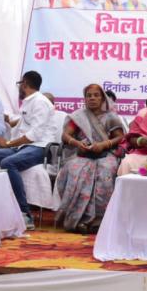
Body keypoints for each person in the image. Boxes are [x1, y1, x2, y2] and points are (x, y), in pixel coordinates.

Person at [0, 71, 57, 231]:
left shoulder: (40, 102)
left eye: (20, 84)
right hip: (22, 148)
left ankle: (25, 214)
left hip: (39, 148)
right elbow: (21, 124)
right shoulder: (29, 102)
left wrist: (8, 143)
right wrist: (5, 119)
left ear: (24, 84)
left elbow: (34, 135)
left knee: (8, 163)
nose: (19, 87)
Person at [55, 84, 124, 233]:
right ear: (85, 98)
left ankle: (99, 221)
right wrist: (77, 143)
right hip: (82, 153)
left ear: (103, 98)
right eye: (89, 95)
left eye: (96, 95)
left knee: (105, 172)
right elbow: (65, 135)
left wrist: (104, 144)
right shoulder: (78, 116)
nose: (92, 98)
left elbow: (120, 137)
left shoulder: (111, 117)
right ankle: (78, 219)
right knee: (75, 170)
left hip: (105, 154)